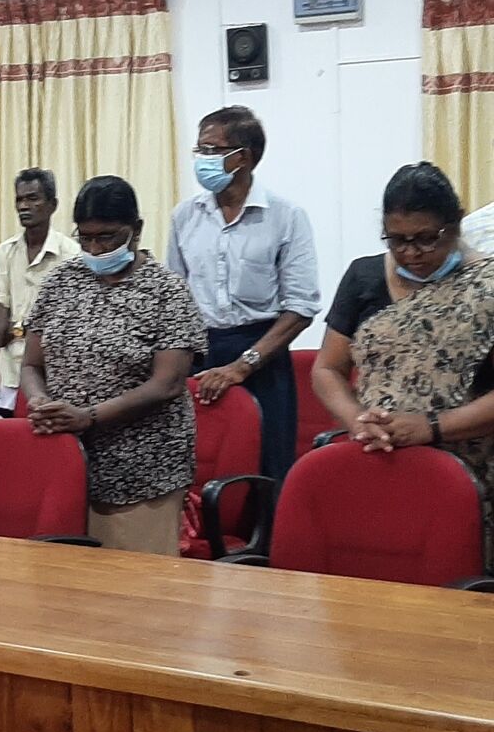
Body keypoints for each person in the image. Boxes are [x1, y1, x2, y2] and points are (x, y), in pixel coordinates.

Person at [312, 163, 494, 569]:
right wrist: (357, 419)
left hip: (470, 472)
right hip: (377, 458)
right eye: (397, 240)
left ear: (456, 224)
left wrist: (432, 427)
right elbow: (327, 369)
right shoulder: (363, 276)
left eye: (427, 239)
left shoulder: (488, 283)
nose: (411, 253)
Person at [22, 176, 206, 555]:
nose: (95, 248)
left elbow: (168, 383)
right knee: (64, 580)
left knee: (137, 584)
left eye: (107, 237)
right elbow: (31, 366)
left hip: (142, 468)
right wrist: (39, 400)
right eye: (85, 237)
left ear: (136, 229)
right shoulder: (60, 283)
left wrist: (89, 416)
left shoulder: (166, 291)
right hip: (65, 462)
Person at [167, 105, 320, 482]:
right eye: (199, 150)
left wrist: (243, 365)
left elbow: (301, 308)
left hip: (262, 354)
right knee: (201, 465)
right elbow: (174, 298)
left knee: (266, 468)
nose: (202, 159)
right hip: (201, 354)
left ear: (243, 157)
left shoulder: (286, 216)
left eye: (211, 150)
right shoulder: (185, 216)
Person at [0, 168, 79, 410]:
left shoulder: (71, 255)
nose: (23, 206)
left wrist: (18, 328)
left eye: (32, 198)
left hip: (53, 371)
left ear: (52, 205)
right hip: (9, 369)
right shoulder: (5, 252)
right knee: (5, 430)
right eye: (19, 200)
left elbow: (69, 320)